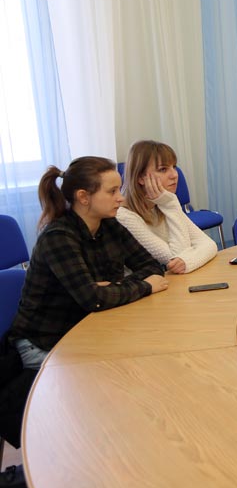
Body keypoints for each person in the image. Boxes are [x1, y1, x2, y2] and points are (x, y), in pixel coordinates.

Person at [9, 157, 168, 370]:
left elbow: (152, 266)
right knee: (121, 369)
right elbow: (94, 300)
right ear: (83, 197)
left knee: (149, 352)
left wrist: (112, 288)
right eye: (112, 191)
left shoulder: (110, 224)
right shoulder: (58, 237)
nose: (121, 198)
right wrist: (146, 286)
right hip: (44, 343)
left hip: (90, 326)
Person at [116, 141, 217, 273]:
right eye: (163, 169)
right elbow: (176, 257)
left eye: (174, 167)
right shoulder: (124, 216)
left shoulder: (162, 203)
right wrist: (170, 204)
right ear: (140, 178)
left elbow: (209, 244)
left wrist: (188, 262)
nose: (174, 175)